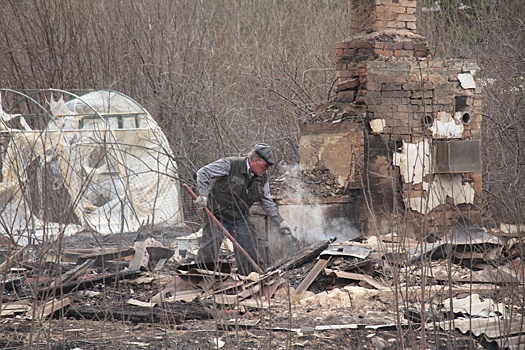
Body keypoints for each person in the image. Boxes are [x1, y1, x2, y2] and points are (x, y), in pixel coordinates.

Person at [194, 143, 292, 275]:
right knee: (210, 247)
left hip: (240, 217)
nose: (267, 169)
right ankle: (202, 278)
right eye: (265, 165)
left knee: (250, 249)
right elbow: (203, 172)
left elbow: (267, 202)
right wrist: (203, 195)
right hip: (217, 214)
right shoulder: (230, 165)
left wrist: (280, 221)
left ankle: (249, 280)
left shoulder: (262, 179)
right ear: (255, 160)